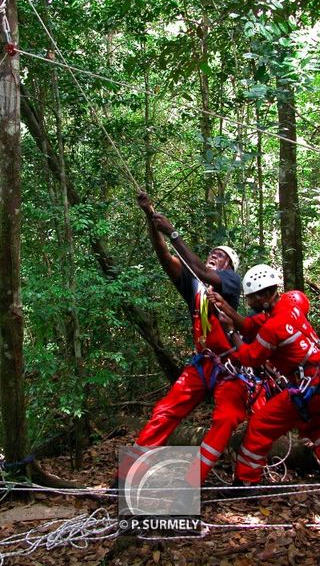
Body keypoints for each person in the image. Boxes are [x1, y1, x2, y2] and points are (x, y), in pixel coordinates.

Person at [120, 191, 252, 486]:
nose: (213, 256)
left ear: (229, 266)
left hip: (231, 368)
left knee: (227, 417)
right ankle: (126, 479)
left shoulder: (229, 283)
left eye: (221, 255)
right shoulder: (194, 285)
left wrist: (173, 231)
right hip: (203, 364)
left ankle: (196, 480)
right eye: (213, 253)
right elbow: (166, 258)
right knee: (165, 411)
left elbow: (202, 270)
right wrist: (150, 218)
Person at [207, 263, 320, 493]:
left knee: (260, 425)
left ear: (267, 295)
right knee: (315, 426)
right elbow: (250, 326)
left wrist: (230, 333)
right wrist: (225, 306)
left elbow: (250, 357)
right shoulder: (287, 305)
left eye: (253, 299)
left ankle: (245, 483)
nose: (249, 303)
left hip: (310, 389)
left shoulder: (274, 326)